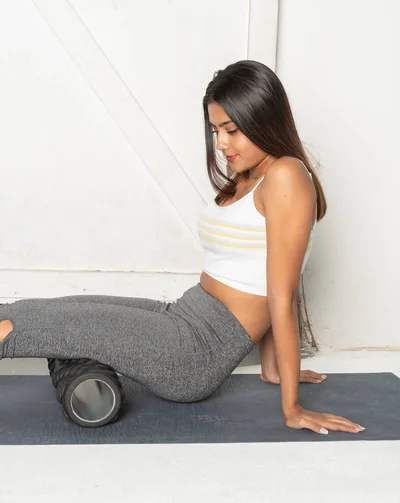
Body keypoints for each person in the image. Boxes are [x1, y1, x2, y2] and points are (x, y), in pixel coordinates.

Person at [0, 60, 364, 436]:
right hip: (183, 315)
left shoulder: (286, 175)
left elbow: (282, 294)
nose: (221, 143)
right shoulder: (250, 176)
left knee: (29, 326)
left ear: (265, 121)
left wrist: (292, 408)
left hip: (193, 354)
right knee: (47, 309)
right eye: (215, 130)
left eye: (232, 130)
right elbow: (264, 269)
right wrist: (272, 368)